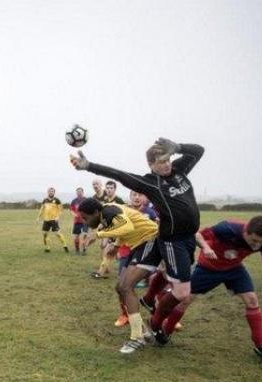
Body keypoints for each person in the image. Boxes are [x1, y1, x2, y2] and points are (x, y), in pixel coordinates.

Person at [71, 138, 205, 337]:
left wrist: (177, 148)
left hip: (188, 238)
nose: (167, 164)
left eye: (168, 159)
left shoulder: (178, 170)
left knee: (172, 279)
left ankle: (150, 300)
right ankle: (155, 320)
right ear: (151, 165)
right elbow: (119, 175)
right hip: (171, 239)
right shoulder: (151, 183)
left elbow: (198, 150)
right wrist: (89, 166)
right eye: (161, 162)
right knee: (182, 291)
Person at [152, 216, 262, 363]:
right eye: (253, 241)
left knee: (252, 300)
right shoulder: (227, 229)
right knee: (184, 300)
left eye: (261, 242)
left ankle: (260, 345)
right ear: (246, 232)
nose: (256, 245)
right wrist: (206, 248)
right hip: (208, 267)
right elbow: (197, 234)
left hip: (234, 269)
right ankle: (166, 333)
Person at [77, 198, 160, 353]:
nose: (85, 222)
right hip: (140, 244)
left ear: (96, 212)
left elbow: (126, 226)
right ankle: (142, 330)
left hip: (151, 240)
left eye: (85, 218)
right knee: (120, 287)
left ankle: (137, 338)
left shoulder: (109, 210)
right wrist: (116, 245)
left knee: (126, 286)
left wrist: (98, 234)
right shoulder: (107, 213)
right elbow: (124, 226)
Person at [113, 191, 158, 326]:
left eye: (140, 195)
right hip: (127, 252)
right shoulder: (123, 211)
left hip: (147, 253)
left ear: (145, 197)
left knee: (154, 283)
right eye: (134, 195)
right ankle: (125, 315)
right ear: (130, 197)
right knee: (120, 286)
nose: (137, 197)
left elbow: (157, 231)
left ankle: (158, 314)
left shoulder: (150, 213)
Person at [91, 181, 126, 278]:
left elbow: (125, 213)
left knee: (108, 250)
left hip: (117, 229)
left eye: (111, 188)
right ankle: (105, 268)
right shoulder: (106, 199)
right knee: (104, 246)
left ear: (115, 189)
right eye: (108, 188)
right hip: (107, 227)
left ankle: (101, 271)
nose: (109, 190)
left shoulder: (118, 200)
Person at [37, 187, 68, 253]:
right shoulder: (45, 200)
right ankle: (47, 248)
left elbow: (61, 210)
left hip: (54, 220)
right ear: (48, 192)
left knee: (58, 234)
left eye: (52, 191)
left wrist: (58, 217)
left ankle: (65, 245)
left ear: (54, 192)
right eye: (49, 191)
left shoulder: (57, 200)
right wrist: (38, 217)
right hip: (46, 220)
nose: (51, 192)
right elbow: (42, 209)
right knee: (45, 234)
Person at [69, 187, 88, 254]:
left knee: (84, 236)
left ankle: (84, 249)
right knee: (76, 238)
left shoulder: (86, 200)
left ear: (83, 192)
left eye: (80, 192)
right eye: (77, 192)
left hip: (85, 221)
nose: (79, 193)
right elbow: (71, 209)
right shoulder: (74, 201)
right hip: (77, 222)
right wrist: (73, 214)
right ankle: (77, 250)